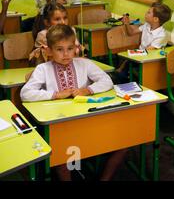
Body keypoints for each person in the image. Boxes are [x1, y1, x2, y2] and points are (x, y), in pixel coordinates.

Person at [21, 24, 126, 181]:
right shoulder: (43, 69)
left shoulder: (84, 64)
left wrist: (88, 90)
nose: (66, 54)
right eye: (59, 49)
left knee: (123, 145)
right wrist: (55, 94)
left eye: (70, 48)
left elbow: (106, 81)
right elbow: (25, 94)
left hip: (89, 121)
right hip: (62, 127)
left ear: (75, 48)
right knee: (62, 160)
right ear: (49, 50)